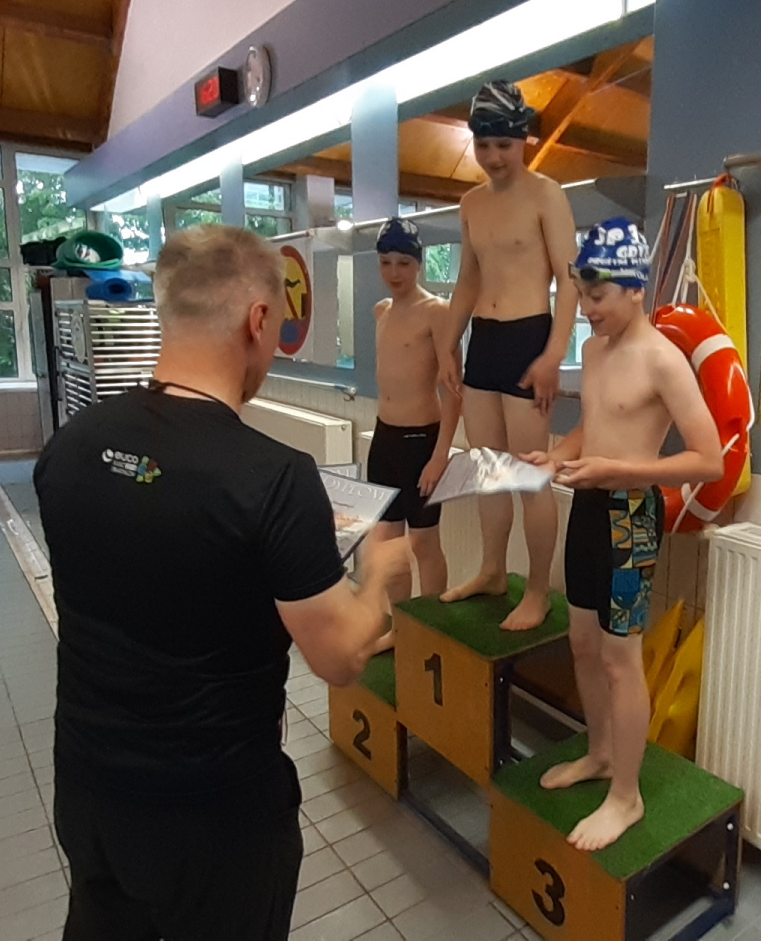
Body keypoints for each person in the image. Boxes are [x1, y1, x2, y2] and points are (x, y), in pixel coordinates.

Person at [34, 225, 409, 940]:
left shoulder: (71, 445)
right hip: (214, 814)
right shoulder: (272, 478)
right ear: (258, 320)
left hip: (87, 786)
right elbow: (339, 659)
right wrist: (380, 578)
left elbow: (140, 561)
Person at [520, 218, 723, 852]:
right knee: (582, 642)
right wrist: (558, 455)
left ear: (635, 290)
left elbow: (709, 459)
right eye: (582, 296)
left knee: (619, 657)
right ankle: (602, 753)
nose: (587, 309)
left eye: (598, 296)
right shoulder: (594, 351)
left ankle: (627, 797)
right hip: (588, 506)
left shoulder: (663, 360)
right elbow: (594, 425)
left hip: (631, 516)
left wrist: (620, 471)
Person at [436, 80, 581, 630]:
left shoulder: (547, 195)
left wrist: (553, 355)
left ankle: (538, 591)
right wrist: (448, 344)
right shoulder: (471, 203)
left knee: (528, 476)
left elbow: (570, 280)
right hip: (484, 339)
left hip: (528, 338)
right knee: (488, 470)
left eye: (504, 144)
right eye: (483, 144)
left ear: (524, 141)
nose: (494, 157)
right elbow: (467, 280)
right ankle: (493, 570)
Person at [367, 218, 462, 612]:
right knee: (389, 545)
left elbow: (454, 391)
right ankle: (402, 628)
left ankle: (431, 626)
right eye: (386, 263)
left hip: (422, 441)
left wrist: (441, 456)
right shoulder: (381, 311)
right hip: (384, 437)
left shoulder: (437, 312)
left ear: (419, 264)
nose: (394, 273)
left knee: (424, 542)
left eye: (403, 263)